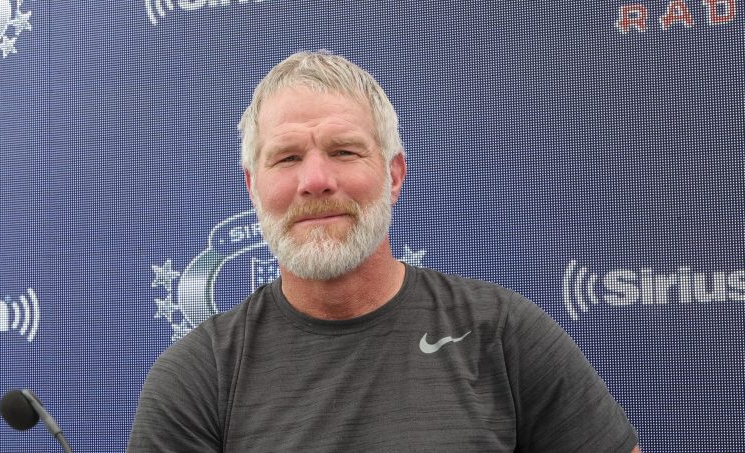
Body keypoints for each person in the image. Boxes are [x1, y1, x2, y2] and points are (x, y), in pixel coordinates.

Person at [128, 50, 640, 452]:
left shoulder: (501, 333)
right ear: (253, 187)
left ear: (393, 175)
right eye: (286, 158)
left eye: (343, 150)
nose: (315, 180)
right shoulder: (198, 378)